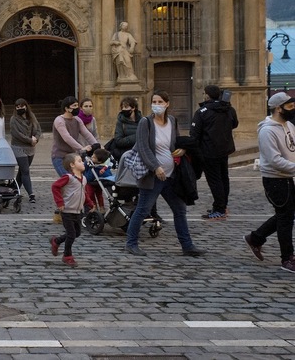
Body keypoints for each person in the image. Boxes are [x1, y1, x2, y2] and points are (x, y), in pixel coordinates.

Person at [124, 90, 204, 257]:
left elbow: (175, 142)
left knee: (180, 210)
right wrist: (155, 167)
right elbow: (143, 148)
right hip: (153, 177)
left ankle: (187, 245)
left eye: (160, 102)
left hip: (172, 175)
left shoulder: (172, 121)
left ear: (167, 104)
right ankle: (131, 243)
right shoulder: (145, 122)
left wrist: (181, 150)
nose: (157, 105)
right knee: (142, 210)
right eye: (154, 102)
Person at [243, 92, 295, 272]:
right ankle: (287, 258)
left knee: (286, 214)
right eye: (289, 106)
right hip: (274, 179)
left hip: (287, 177)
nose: (293, 109)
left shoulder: (289, 125)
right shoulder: (267, 130)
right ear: (278, 108)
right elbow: (274, 160)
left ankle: (256, 238)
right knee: (286, 218)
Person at [190, 85, 239, 220]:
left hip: (208, 151)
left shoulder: (202, 112)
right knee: (224, 178)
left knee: (215, 181)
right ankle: (222, 205)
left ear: (207, 95)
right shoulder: (229, 109)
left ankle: (219, 209)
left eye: (204, 93)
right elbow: (235, 124)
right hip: (224, 149)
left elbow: (194, 133)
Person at [50, 153, 93, 267]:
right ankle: (67, 255)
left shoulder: (84, 179)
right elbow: (55, 186)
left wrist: (89, 203)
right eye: (79, 161)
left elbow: (84, 193)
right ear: (72, 165)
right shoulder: (68, 178)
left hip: (78, 211)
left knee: (76, 233)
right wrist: (60, 202)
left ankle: (56, 241)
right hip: (67, 211)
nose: (82, 162)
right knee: (71, 234)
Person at [51, 96, 97, 177]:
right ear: (67, 109)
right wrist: (81, 148)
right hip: (60, 157)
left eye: (77, 105)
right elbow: (67, 137)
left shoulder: (77, 120)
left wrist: (96, 145)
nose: (77, 108)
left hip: (73, 156)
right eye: (74, 106)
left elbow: (87, 133)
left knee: (78, 180)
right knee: (68, 179)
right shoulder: (59, 121)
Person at [10, 98, 42, 203]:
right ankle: (31, 194)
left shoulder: (31, 116)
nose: (20, 108)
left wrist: (36, 139)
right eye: (18, 107)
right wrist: (30, 140)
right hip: (18, 147)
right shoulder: (13, 119)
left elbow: (38, 129)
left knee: (22, 171)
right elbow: (17, 134)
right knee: (25, 171)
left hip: (31, 147)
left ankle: (15, 188)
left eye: (22, 106)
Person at [110, 96, 142, 162]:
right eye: (122, 107)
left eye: (126, 107)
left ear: (133, 108)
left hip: (140, 155)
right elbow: (118, 141)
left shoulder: (142, 121)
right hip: (126, 155)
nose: (124, 109)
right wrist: (137, 137)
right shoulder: (120, 122)